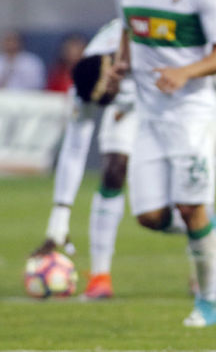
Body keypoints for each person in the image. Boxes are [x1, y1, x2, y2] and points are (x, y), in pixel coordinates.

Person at [108, 0, 216, 327]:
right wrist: (121, 64)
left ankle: (208, 304)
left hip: (191, 115)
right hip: (149, 116)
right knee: (148, 217)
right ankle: (209, 230)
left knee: (188, 207)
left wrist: (187, 72)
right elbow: (130, 28)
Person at [32, 20, 137, 299]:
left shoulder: (142, 42)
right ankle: (101, 278)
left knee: (163, 211)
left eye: (106, 98)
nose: (100, 107)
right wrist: (60, 216)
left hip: (172, 93)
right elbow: (74, 148)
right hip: (130, 104)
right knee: (114, 170)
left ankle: (204, 236)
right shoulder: (87, 76)